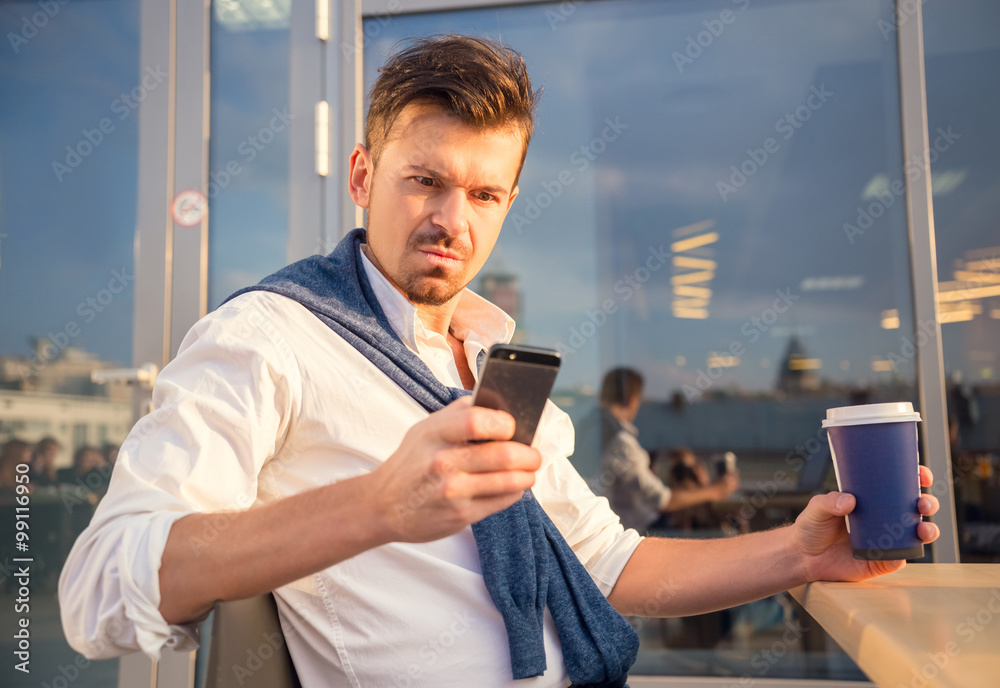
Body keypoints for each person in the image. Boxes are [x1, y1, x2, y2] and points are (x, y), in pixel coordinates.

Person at [59, 35, 941, 688]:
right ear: (363, 177)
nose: (454, 219)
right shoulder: (267, 337)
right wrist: (375, 505)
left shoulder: (488, 355)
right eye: (424, 181)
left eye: (484, 193)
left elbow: (607, 564)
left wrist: (798, 553)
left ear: (511, 201)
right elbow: (97, 587)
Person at [599, 368, 738, 532]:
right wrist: (715, 490)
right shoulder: (621, 443)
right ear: (632, 400)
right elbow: (662, 501)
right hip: (634, 532)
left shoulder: (593, 433)